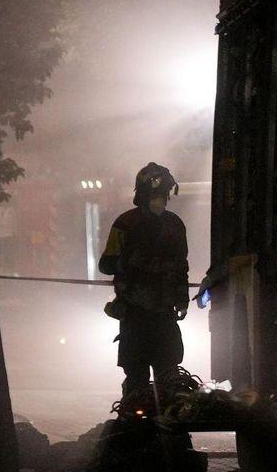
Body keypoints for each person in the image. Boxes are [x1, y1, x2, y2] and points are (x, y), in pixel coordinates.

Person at [98, 162, 189, 398]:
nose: (162, 199)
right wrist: (131, 264)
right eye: (158, 194)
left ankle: (167, 427)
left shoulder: (174, 226)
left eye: (164, 194)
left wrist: (183, 298)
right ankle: (134, 426)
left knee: (168, 379)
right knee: (137, 381)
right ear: (143, 195)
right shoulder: (125, 225)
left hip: (163, 314)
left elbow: (181, 267)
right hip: (136, 314)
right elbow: (106, 265)